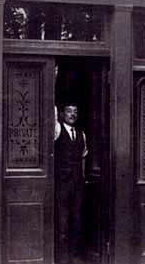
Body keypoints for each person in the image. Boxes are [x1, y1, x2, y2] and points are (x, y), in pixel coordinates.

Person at [54, 102, 88, 264]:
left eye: (75, 111)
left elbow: (83, 157)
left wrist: (83, 177)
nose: (72, 114)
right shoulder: (58, 129)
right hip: (62, 183)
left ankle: (74, 256)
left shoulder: (82, 134)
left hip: (77, 184)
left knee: (76, 220)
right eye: (69, 112)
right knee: (63, 221)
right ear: (62, 114)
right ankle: (62, 258)